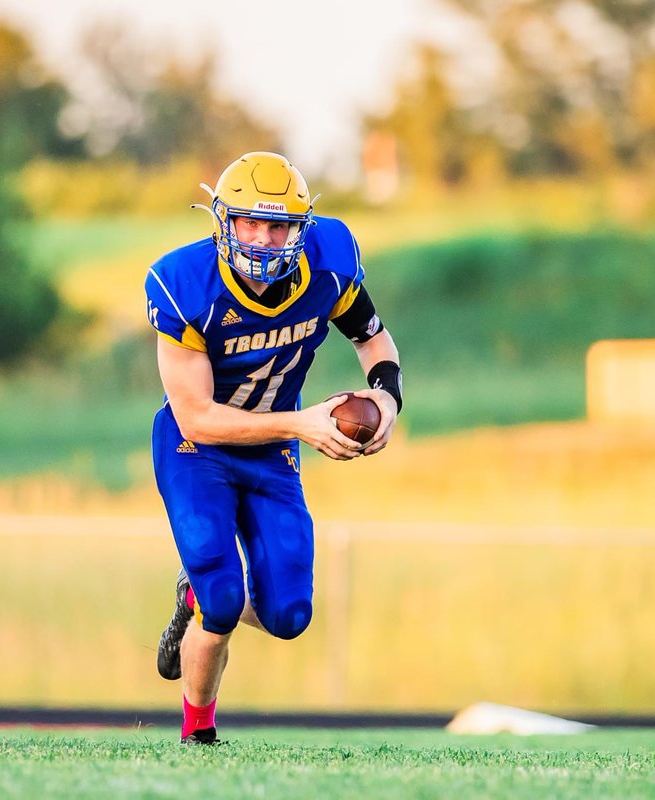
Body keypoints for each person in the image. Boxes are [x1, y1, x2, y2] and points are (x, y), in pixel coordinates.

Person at [144, 151, 403, 744]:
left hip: (271, 449)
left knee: (289, 615)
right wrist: (301, 425)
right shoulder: (186, 284)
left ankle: (197, 598)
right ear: (224, 223)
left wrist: (386, 399)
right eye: (250, 223)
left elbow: (371, 336)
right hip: (196, 450)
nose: (263, 238)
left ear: (300, 229)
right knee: (223, 596)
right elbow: (198, 418)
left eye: (278, 225)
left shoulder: (327, 268)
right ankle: (198, 733)